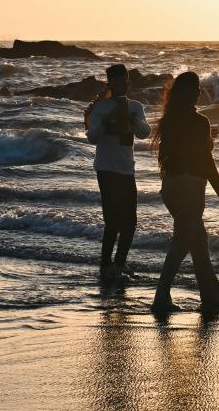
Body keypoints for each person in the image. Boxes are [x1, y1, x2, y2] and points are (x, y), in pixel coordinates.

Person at [151, 71, 219, 313]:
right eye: (196, 88)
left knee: (198, 240)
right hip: (190, 187)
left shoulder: (168, 120)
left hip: (171, 186)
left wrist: (206, 141)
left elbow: (176, 154)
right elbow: (204, 160)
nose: (199, 92)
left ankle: (212, 293)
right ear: (189, 92)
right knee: (181, 243)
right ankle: (161, 296)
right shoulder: (199, 122)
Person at [85, 64, 151, 281]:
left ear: (128, 83)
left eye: (124, 81)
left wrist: (132, 119)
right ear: (109, 83)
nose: (121, 85)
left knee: (130, 223)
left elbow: (145, 133)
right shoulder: (101, 107)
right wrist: (107, 119)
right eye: (116, 81)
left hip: (126, 169)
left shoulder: (136, 107)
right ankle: (105, 265)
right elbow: (92, 137)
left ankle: (119, 263)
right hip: (105, 168)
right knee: (112, 222)